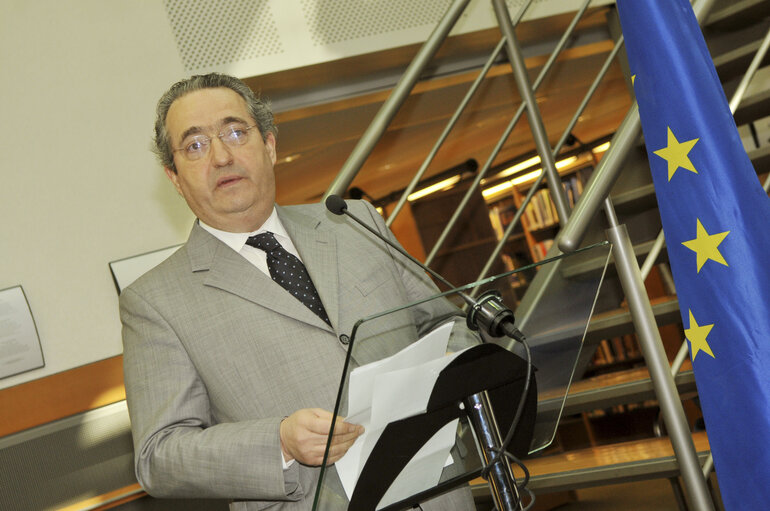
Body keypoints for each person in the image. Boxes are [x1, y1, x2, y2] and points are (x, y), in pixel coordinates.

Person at [120, 73, 477, 510]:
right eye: (194, 146)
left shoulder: (355, 222)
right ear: (174, 178)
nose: (220, 156)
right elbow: (158, 456)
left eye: (235, 132)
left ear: (269, 146)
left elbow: (444, 321)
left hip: (440, 491)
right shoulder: (153, 302)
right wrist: (279, 442)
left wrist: (447, 373)